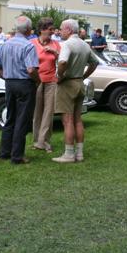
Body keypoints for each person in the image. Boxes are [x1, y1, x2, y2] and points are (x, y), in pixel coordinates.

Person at [0, 16, 40, 164]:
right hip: (24, 84)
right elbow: (31, 69)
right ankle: (17, 155)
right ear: (28, 30)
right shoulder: (28, 46)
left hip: (10, 83)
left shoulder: (5, 44)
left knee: (10, 117)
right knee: (22, 119)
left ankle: (4, 152)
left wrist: (6, 76)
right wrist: (38, 81)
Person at [53, 19, 98, 163]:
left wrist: (60, 75)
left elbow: (63, 62)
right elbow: (94, 62)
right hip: (79, 82)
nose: (59, 31)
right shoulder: (84, 44)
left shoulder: (67, 44)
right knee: (78, 120)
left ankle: (69, 154)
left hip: (67, 84)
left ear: (68, 29)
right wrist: (84, 75)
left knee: (67, 121)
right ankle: (79, 153)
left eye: (61, 29)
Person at [31, 18, 60, 153]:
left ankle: (45, 141)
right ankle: (37, 141)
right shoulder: (31, 44)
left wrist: (55, 53)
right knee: (37, 111)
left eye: (53, 29)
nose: (52, 32)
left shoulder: (55, 44)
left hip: (51, 81)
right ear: (42, 30)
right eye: (50, 29)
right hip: (36, 81)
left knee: (48, 112)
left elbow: (62, 61)